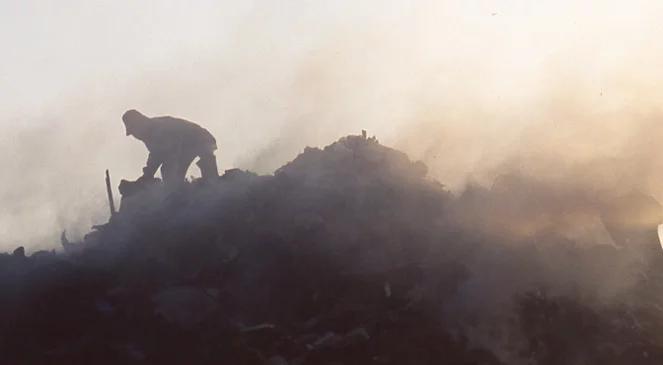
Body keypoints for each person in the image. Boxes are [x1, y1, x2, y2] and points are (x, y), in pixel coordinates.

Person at [122, 109, 219, 185]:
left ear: (139, 124)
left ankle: (213, 188)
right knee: (170, 171)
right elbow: (156, 155)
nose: (135, 135)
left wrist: (147, 176)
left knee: (170, 170)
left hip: (201, 140)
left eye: (133, 131)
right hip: (189, 144)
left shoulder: (158, 130)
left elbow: (170, 152)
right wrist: (147, 176)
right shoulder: (148, 132)